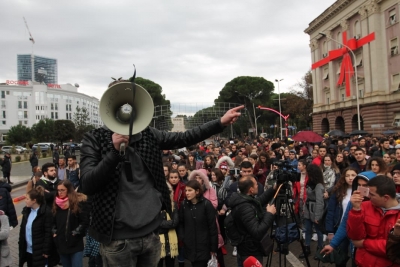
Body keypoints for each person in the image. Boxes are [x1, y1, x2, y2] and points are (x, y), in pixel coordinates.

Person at [80, 101, 243, 267]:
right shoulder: (95, 138)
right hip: (117, 239)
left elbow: (185, 137)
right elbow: (87, 184)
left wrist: (220, 122)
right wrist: (114, 152)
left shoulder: (149, 134)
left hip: (151, 234)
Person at [347, 175, 400, 267]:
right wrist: (356, 210)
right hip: (364, 263)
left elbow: (395, 251)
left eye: (372, 194)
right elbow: (355, 237)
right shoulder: (364, 206)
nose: (368, 196)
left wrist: (365, 243)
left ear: (386, 198)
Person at [227, 175, 276, 266]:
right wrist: (269, 214)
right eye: (256, 184)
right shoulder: (245, 208)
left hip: (247, 249)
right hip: (250, 252)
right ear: (251, 190)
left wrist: (273, 189)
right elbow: (257, 232)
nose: (258, 185)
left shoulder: (243, 199)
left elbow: (259, 201)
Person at [178, 180, 218, 267]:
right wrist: (183, 237)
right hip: (190, 244)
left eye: (190, 190)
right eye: (186, 190)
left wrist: (213, 247)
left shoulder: (206, 204)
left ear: (197, 191)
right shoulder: (184, 204)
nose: (187, 193)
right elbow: (181, 223)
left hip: (203, 245)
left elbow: (212, 227)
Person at [52, 180, 89, 267]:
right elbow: (53, 222)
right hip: (61, 243)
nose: (60, 192)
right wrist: (54, 232)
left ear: (68, 190)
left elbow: (84, 221)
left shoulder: (77, 203)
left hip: (75, 243)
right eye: (58, 190)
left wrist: (76, 232)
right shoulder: (56, 204)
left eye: (62, 190)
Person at [19, 186, 53, 267]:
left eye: (27, 199)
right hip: (28, 251)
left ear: (34, 200)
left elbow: (48, 233)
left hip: (40, 252)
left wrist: (46, 250)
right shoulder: (26, 211)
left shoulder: (45, 213)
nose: (25, 201)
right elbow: (22, 231)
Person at [301, 164, 325, 259]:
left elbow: (320, 202)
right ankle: (307, 248)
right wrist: (304, 208)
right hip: (308, 208)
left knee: (318, 231)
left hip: (315, 209)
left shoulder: (318, 185)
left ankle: (320, 249)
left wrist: (317, 216)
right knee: (307, 230)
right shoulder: (310, 182)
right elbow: (307, 198)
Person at [158, 182, 179, 267]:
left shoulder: (174, 205)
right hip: (158, 242)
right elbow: (153, 223)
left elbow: (175, 222)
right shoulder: (154, 206)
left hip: (171, 242)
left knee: (170, 264)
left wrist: (160, 224)